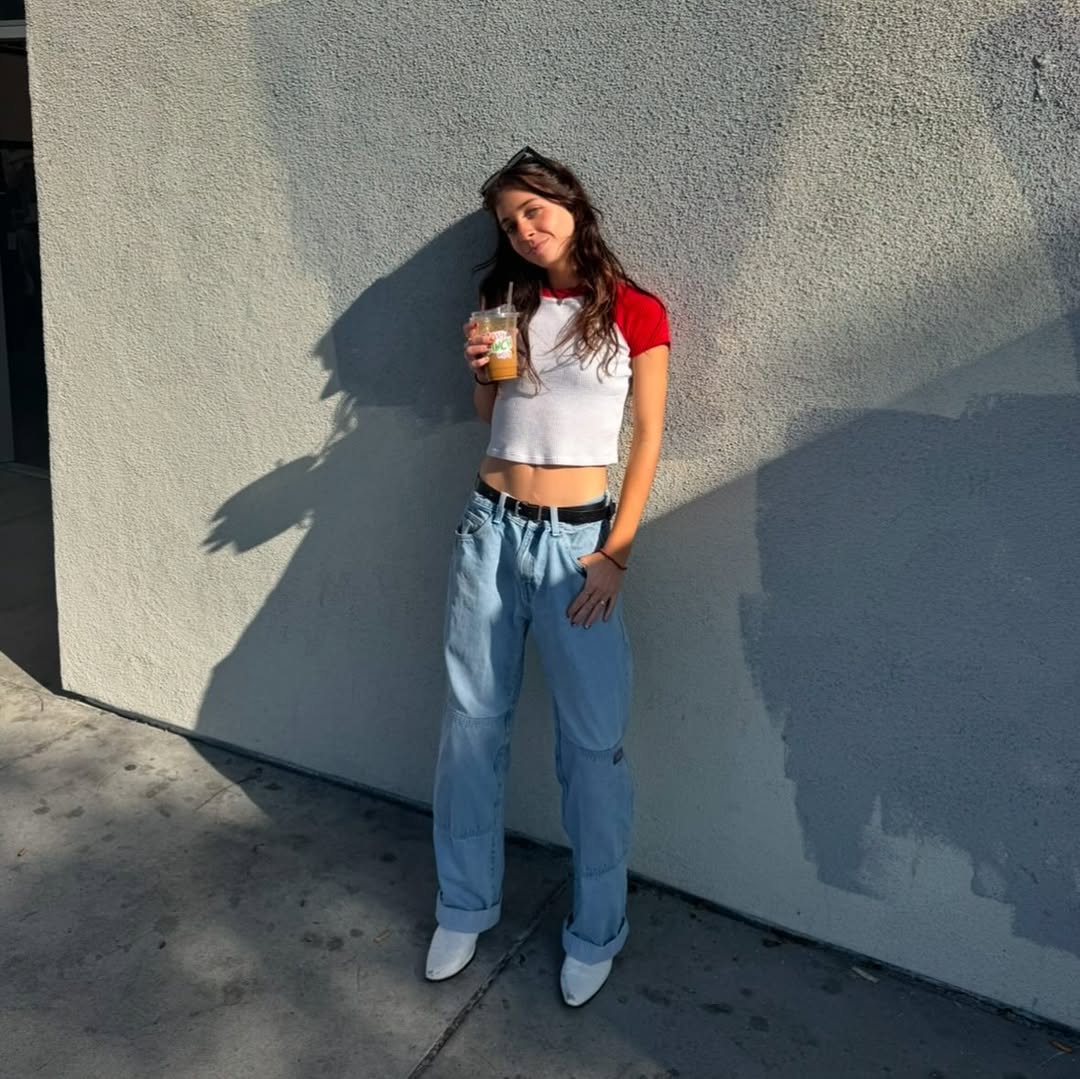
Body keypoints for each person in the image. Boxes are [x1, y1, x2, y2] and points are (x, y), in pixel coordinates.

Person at [427, 147, 670, 1007]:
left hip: (578, 547)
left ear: (571, 204)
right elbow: (493, 416)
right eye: (509, 221)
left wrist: (617, 553)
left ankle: (597, 927)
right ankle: (464, 903)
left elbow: (648, 435)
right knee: (470, 727)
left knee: (593, 747)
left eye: (534, 210)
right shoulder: (507, 301)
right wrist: (480, 370)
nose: (524, 230)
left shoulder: (635, 311)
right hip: (489, 529)